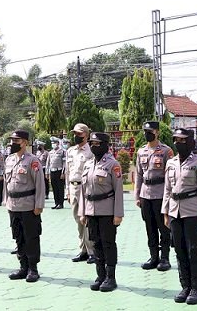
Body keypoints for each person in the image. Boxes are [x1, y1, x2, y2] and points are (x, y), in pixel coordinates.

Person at [162, 128, 197, 305]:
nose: (178, 143)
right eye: (175, 139)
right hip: (175, 211)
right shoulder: (171, 162)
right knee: (180, 250)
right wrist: (165, 212)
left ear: (189, 142)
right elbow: (167, 189)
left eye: (182, 140)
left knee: (194, 251)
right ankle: (185, 286)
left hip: (193, 211)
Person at [78, 132, 124, 292]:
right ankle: (100, 275)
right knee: (96, 243)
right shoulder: (88, 164)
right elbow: (84, 191)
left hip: (107, 210)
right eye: (91, 143)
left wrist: (118, 214)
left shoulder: (113, 164)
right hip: (91, 211)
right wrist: (83, 212)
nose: (93, 146)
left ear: (105, 145)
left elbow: (118, 190)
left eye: (97, 144)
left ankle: (111, 277)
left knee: (108, 244)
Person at [4, 129, 45, 283]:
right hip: (13, 206)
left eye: (16, 141)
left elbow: (40, 184)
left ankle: (33, 269)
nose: (13, 144)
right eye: (12, 141)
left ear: (25, 143)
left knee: (31, 237)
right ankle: (23, 267)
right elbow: (6, 184)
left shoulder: (32, 161)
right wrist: (5, 201)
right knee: (18, 237)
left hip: (28, 205)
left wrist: (38, 204)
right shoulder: (9, 160)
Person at [134, 121, 174, 271]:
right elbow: (138, 174)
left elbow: (171, 174)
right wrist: (137, 195)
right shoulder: (141, 151)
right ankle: (153, 256)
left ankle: (164, 258)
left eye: (150, 131)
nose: (146, 134)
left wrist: (169, 196)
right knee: (149, 227)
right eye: (145, 131)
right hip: (146, 194)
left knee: (163, 227)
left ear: (157, 132)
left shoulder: (166, 151)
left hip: (161, 193)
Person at [65, 123, 95, 264]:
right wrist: (68, 191)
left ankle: (91, 251)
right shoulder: (70, 151)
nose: (76, 136)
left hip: (85, 188)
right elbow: (67, 172)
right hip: (73, 187)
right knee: (78, 220)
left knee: (86, 220)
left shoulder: (90, 151)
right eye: (75, 134)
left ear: (86, 135)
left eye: (79, 134)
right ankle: (82, 249)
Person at [46, 136, 66, 209]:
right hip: (52, 171)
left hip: (59, 171)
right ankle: (56, 203)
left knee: (60, 188)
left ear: (58, 143)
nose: (53, 144)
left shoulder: (62, 151)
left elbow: (64, 163)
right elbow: (48, 163)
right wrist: (47, 173)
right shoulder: (50, 152)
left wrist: (63, 172)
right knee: (54, 187)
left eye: (54, 143)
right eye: (52, 143)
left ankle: (61, 203)